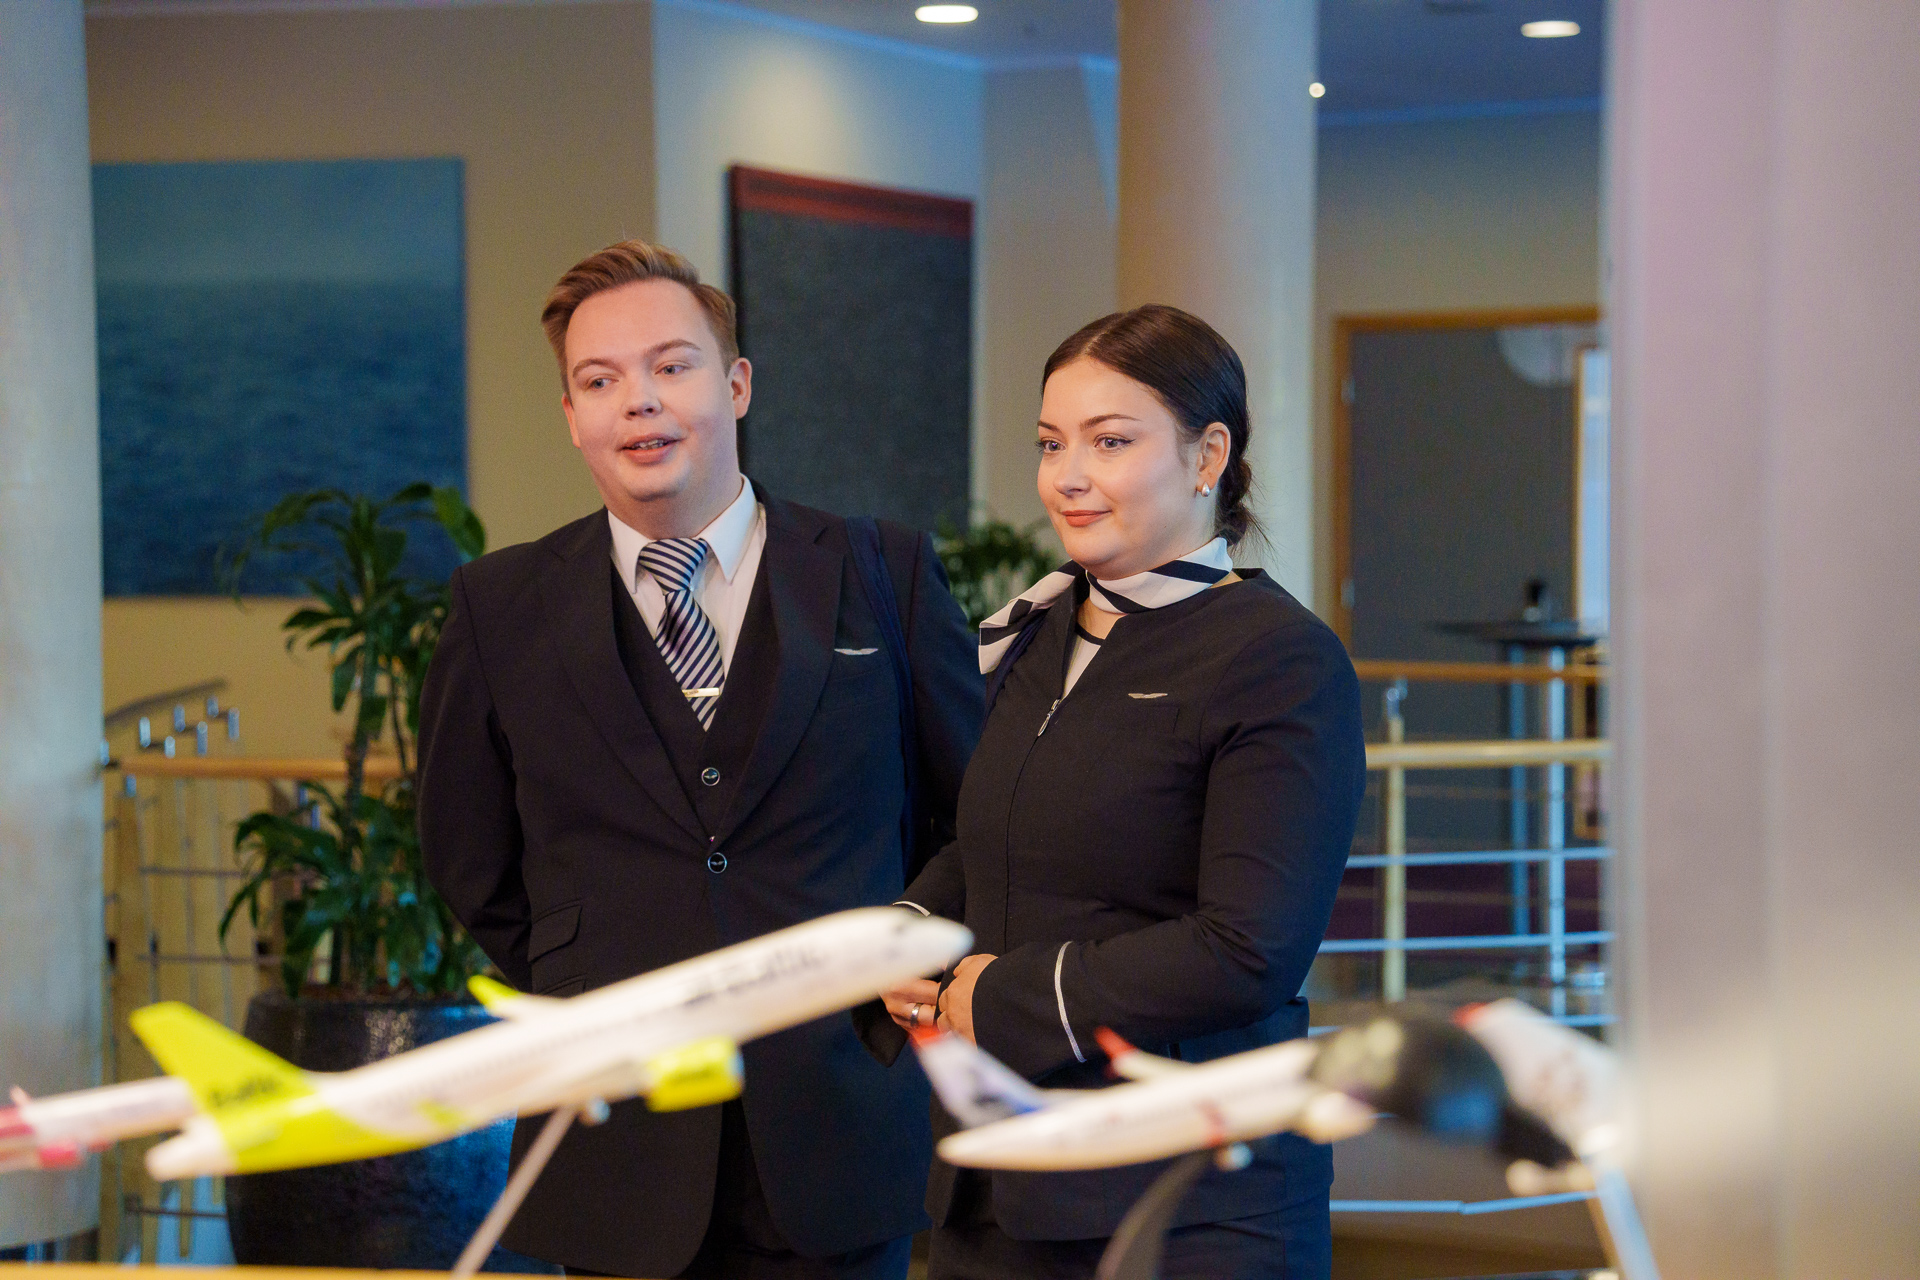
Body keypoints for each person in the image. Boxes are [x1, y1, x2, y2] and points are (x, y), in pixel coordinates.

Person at [417, 240, 983, 1280]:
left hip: (843, 1123)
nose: (638, 401)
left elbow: (978, 815)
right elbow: (470, 859)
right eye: (600, 380)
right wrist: (591, 989)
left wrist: (895, 953)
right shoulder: (498, 608)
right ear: (572, 416)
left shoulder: (882, 571)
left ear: (736, 384)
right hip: (615, 1135)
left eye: (671, 366)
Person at [882, 305, 1367, 1279]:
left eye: (1110, 441)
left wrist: (1003, 994)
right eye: (1051, 443)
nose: (1068, 475)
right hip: (998, 1178)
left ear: (1207, 455)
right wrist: (908, 932)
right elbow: (993, 841)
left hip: (1187, 1198)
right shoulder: (1029, 636)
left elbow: (1249, 949)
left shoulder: (1278, 659)